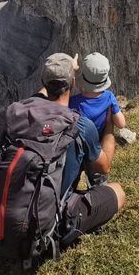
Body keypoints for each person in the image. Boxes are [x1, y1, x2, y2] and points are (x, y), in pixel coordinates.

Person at [39, 53, 126, 241]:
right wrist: (110, 123)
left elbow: (53, 100)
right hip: (96, 148)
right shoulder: (109, 97)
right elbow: (122, 123)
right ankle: (98, 216)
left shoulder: (74, 102)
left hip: (76, 148)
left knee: (72, 175)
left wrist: (65, 73)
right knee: (100, 181)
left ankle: (70, 198)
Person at [69, 52, 126, 136]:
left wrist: (72, 70)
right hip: (100, 141)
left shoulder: (72, 101)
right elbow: (121, 124)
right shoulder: (109, 97)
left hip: (79, 143)